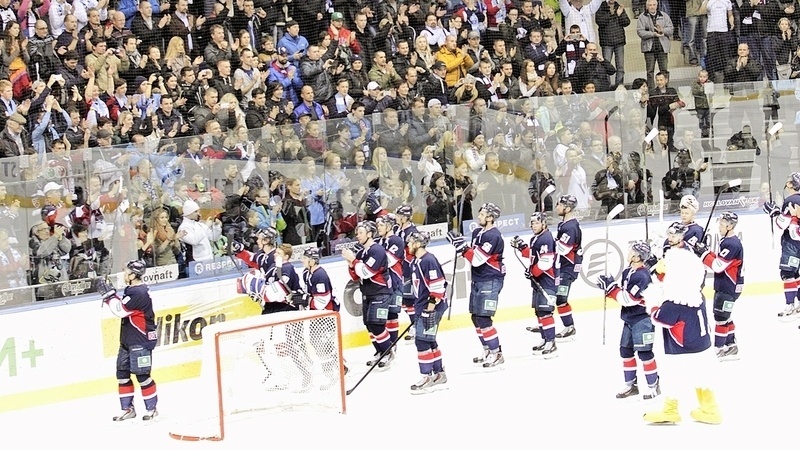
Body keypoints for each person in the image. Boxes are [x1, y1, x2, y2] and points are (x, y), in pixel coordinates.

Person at [641, 222, 721, 425]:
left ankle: (670, 410)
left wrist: (651, 300)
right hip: (701, 343)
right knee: (701, 376)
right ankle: (710, 409)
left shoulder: (675, 300)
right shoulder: (694, 293)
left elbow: (659, 318)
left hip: (681, 347)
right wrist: (658, 271)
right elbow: (670, 277)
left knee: (673, 376)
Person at [596, 241, 661, 400]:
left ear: (637, 256)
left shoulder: (643, 275)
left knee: (645, 353)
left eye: (630, 250)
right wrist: (609, 288)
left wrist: (611, 288)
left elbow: (628, 299)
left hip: (643, 320)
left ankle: (654, 386)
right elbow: (622, 295)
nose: (628, 252)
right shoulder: (627, 272)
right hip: (629, 318)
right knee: (625, 351)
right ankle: (631, 385)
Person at [97, 260, 159, 421]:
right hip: (127, 340)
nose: (124, 274)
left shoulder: (139, 293)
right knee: (122, 374)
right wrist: (111, 295)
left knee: (142, 375)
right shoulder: (132, 290)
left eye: (126, 272)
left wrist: (109, 295)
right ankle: (127, 409)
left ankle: (151, 409)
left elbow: (121, 310)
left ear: (133, 275)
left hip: (140, 340)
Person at [446, 202, 506, 368]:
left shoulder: (494, 236)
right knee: (475, 316)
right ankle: (487, 348)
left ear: (490, 218)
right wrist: (459, 244)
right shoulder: (477, 232)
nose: (478, 217)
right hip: (478, 279)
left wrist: (462, 247)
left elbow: (478, 259)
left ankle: (496, 353)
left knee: (483, 317)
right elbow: (472, 252)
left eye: (482, 214)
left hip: (491, 279)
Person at [341, 221, 395, 369]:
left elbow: (367, 272)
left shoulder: (377, 250)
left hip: (381, 293)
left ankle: (388, 352)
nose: (357, 236)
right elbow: (356, 276)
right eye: (357, 232)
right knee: (369, 325)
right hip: (368, 293)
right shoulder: (362, 252)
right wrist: (351, 262)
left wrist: (353, 261)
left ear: (370, 234)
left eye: (361, 233)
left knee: (376, 325)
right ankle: (379, 351)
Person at [691, 212, 744, 360]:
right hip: (729, 286)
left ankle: (719, 348)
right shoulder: (728, 241)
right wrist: (706, 251)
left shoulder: (731, 243)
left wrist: (702, 254)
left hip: (728, 287)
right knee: (726, 316)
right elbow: (720, 259)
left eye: (721, 224)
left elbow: (718, 266)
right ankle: (731, 345)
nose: (719, 227)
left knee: (720, 317)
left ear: (730, 226)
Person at [511, 212, 558, 358]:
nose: (533, 225)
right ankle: (545, 340)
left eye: (536, 223)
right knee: (539, 311)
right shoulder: (536, 238)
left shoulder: (546, 238)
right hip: (539, 281)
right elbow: (533, 255)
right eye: (532, 223)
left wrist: (533, 272)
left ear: (543, 224)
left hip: (548, 280)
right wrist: (522, 248)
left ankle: (551, 342)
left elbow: (546, 262)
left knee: (545, 311)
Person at [406, 231, 449, 393]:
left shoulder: (428, 260)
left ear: (417, 244)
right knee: (429, 340)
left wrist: (428, 311)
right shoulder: (416, 261)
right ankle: (439, 374)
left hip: (431, 308)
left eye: (410, 242)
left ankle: (427, 376)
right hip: (423, 307)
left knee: (422, 341)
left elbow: (437, 288)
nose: (408, 245)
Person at [297, 247, 346, 386]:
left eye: (305, 258)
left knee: (323, 345)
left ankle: (334, 374)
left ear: (312, 261)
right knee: (320, 344)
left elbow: (321, 302)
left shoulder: (320, 275)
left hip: (326, 316)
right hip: (317, 315)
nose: (302, 260)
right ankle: (341, 367)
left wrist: (305, 300)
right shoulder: (307, 273)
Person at [763, 173, 800, 320]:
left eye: (789, 181)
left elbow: (782, 224)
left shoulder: (791, 200)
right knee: (796, 274)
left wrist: (774, 213)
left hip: (792, 244)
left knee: (787, 274)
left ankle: (790, 305)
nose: (787, 182)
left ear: (792, 184)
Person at [553, 195, 583, 340]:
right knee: (559, 297)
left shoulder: (570, 226)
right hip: (564, 266)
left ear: (568, 208)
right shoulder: (564, 224)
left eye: (559, 205)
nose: (556, 207)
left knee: (560, 297)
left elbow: (564, 249)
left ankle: (569, 327)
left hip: (569, 267)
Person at [376, 214, 404, 344]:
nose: (378, 227)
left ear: (389, 226)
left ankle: (392, 345)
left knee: (392, 314)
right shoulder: (380, 241)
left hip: (395, 282)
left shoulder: (396, 240)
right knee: (383, 316)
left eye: (381, 225)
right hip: (383, 284)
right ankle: (388, 346)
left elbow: (387, 261)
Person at [395, 204, 419, 341]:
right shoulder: (398, 230)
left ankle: (416, 325)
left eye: (399, 216)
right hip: (400, 271)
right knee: (404, 301)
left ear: (405, 218)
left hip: (408, 270)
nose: (397, 218)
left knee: (409, 300)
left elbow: (412, 253)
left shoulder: (412, 232)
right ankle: (414, 323)